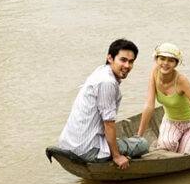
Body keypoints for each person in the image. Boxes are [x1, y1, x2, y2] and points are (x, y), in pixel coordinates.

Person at [57, 38, 149, 169]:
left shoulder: (101, 71)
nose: (127, 66)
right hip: (86, 150)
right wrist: (117, 156)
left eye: (131, 62)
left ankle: (113, 149)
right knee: (143, 144)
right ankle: (113, 154)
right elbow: (109, 123)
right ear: (110, 58)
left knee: (120, 139)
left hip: (69, 144)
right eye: (123, 60)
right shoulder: (108, 82)